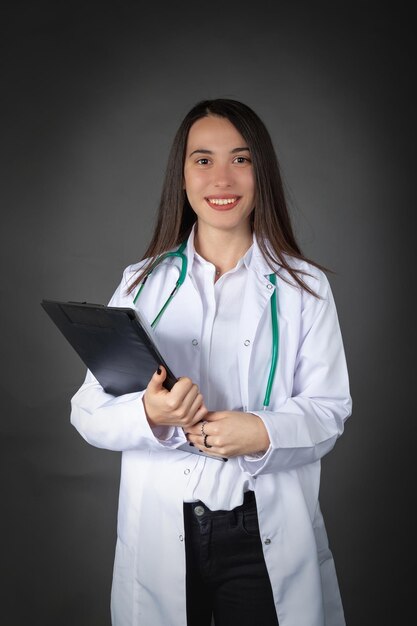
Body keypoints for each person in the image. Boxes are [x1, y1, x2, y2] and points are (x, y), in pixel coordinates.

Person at [70, 98, 352, 626]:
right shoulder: (140, 284)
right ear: (182, 176)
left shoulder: (304, 288)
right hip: (164, 535)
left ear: (260, 172)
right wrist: (151, 415)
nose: (221, 178)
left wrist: (261, 432)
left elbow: (329, 412)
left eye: (240, 159)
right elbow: (86, 412)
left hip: (261, 537)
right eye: (203, 160)